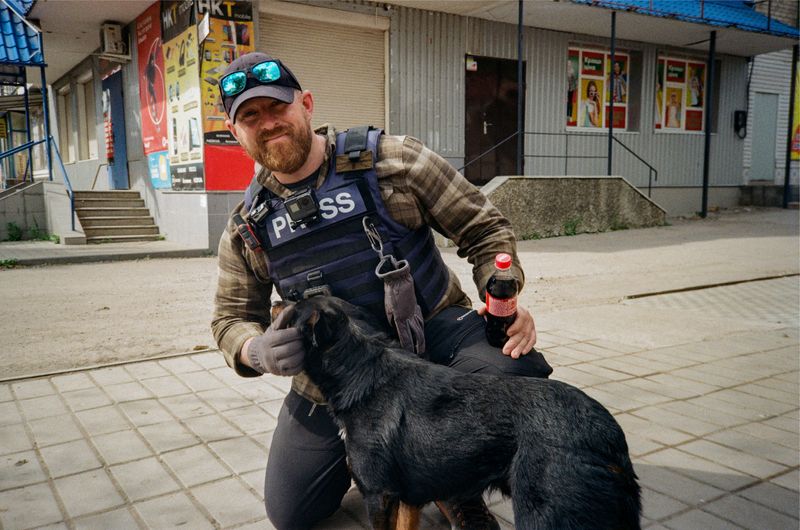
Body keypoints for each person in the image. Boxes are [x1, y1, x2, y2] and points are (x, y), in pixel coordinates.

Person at [211, 52, 553, 530]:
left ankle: (454, 486)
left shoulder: (394, 160)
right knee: (292, 512)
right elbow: (229, 318)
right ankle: (385, 456)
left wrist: (504, 293)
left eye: (278, 107)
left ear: (306, 104)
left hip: (435, 342)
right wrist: (254, 350)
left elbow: (484, 227)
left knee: (508, 373)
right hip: (334, 385)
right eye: (251, 116)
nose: (268, 123)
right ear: (236, 133)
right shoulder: (248, 226)